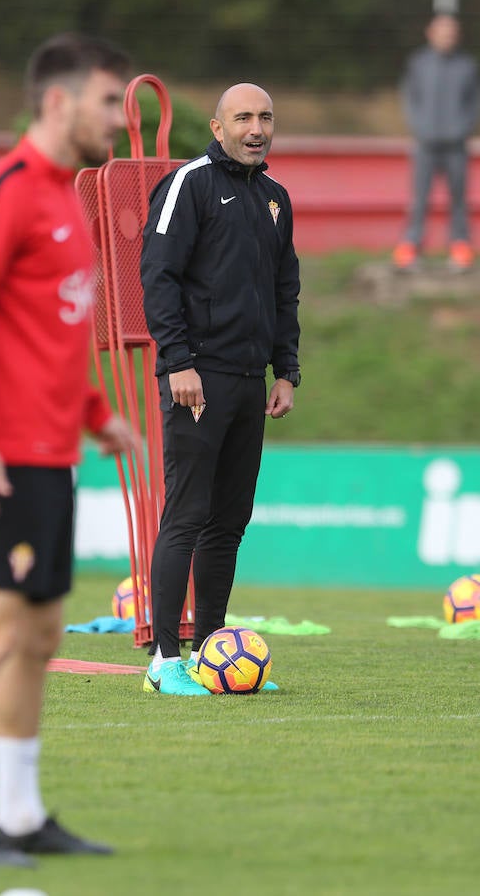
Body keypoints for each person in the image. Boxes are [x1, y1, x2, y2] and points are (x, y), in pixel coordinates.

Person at [0, 32, 134, 866]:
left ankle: (19, 813)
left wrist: (95, 414)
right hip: (7, 457)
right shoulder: (3, 192)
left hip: (57, 457)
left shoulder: (67, 199)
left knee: (42, 636)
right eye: (108, 101)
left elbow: (53, 334)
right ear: (60, 101)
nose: (119, 118)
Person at [140, 83, 301, 696]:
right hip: (196, 378)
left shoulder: (276, 199)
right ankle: (162, 662)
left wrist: (285, 368)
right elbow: (157, 275)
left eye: (265, 116)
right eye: (243, 117)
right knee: (186, 514)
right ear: (216, 127)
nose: (256, 127)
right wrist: (177, 361)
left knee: (229, 521)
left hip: (248, 379)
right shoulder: (190, 184)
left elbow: (285, 288)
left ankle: (210, 654)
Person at [392, 11, 479, 273]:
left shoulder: (468, 66)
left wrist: (463, 128)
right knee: (419, 198)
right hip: (425, 144)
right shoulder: (418, 63)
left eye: (451, 31)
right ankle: (411, 245)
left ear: (457, 35)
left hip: (456, 146)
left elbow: (474, 102)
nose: (446, 36)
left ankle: (460, 246)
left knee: (459, 199)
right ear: (431, 33)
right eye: (442, 30)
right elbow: (409, 97)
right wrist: (419, 126)